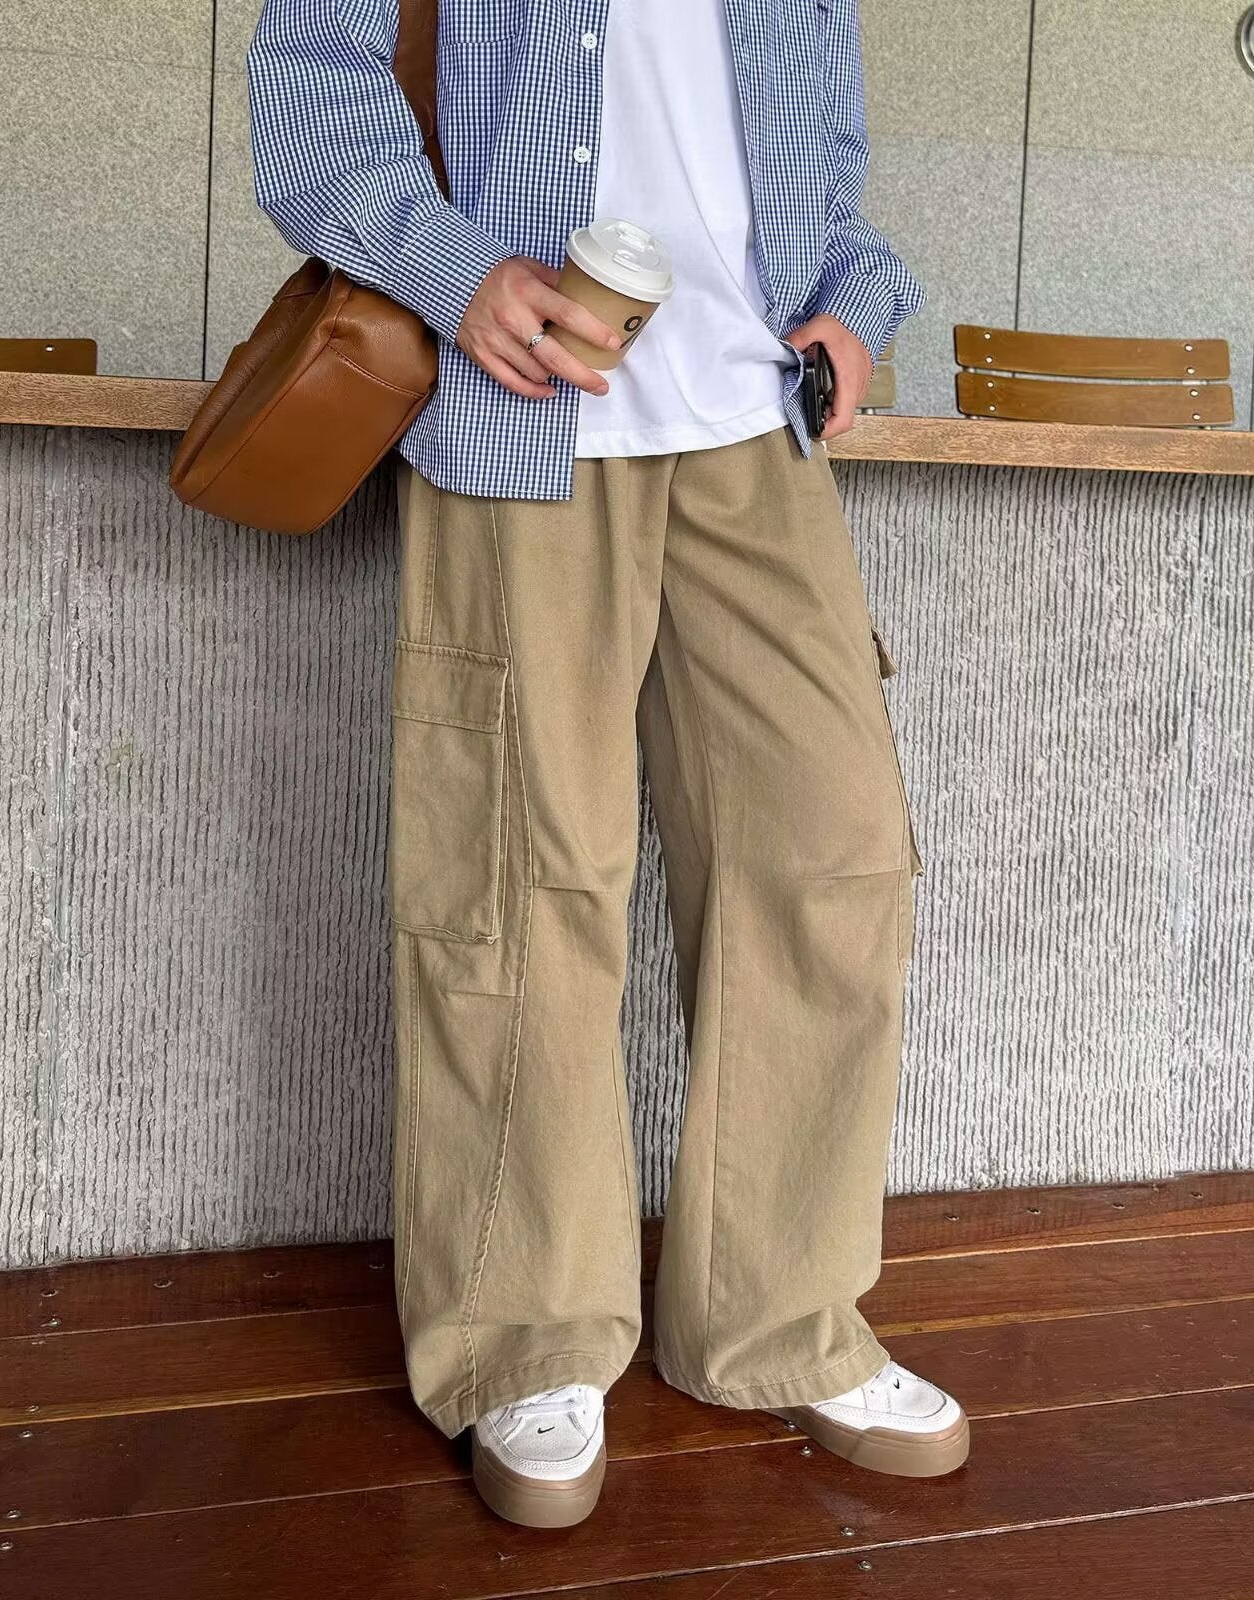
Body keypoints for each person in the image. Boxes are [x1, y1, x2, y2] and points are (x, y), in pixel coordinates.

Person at [248, 0, 968, 1528]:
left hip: (753, 428)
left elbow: (821, 146)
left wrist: (853, 301)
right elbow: (309, 84)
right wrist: (454, 271)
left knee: (832, 860)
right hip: (526, 422)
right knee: (519, 884)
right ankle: (526, 1336)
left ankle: (780, 1319)